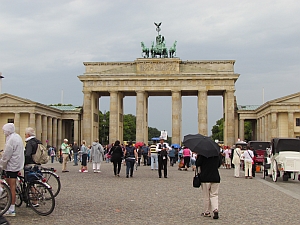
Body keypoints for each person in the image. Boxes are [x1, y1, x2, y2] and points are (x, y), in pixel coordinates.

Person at [0, 123, 24, 217]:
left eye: (4, 131)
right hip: (17, 164)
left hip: (12, 166)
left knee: (11, 188)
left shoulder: (11, 140)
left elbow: (6, 155)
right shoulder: (17, 137)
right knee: (10, 186)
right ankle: (9, 205)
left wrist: (1, 165)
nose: (4, 132)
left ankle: (11, 209)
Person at [196, 154, 221, 220]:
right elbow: (219, 164)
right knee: (214, 195)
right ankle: (215, 209)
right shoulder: (217, 154)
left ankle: (207, 211)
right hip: (215, 177)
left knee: (206, 195)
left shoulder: (202, 154)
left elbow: (197, 163)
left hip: (205, 177)